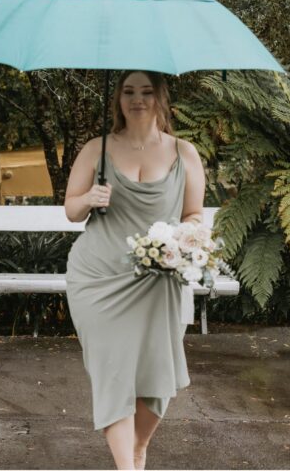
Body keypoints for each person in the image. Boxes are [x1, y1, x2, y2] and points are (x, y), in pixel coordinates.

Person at [64, 70, 206, 470]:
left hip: (160, 280)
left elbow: (194, 214)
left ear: (160, 97)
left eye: (146, 91)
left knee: (155, 378)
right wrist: (89, 197)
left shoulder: (184, 153)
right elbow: (71, 209)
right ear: (118, 99)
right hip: (98, 279)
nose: (137, 99)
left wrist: (181, 239)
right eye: (128, 91)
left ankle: (138, 449)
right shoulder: (97, 149)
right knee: (112, 375)